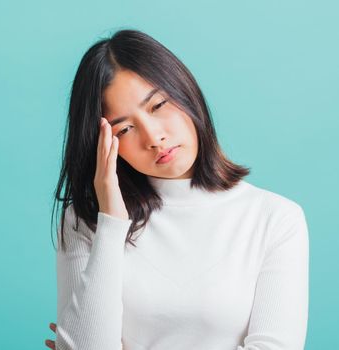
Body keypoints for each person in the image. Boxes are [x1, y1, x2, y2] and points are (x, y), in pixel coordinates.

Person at [44, 29, 309, 350]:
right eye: (125, 128)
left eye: (158, 106)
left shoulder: (275, 219)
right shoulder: (85, 222)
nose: (154, 137)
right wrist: (111, 223)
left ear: (185, 92)